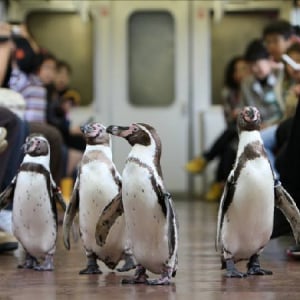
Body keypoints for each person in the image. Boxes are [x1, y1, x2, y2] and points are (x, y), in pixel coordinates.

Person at [185, 56, 250, 201]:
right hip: (236, 130)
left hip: (248, 129)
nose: (242, 73)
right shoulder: (229, 92)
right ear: (232, 74)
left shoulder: (253, 86)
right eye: (238, 70)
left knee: (229, 142)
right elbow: (229, 119)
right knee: (230, 143)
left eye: (245, 69)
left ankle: (207, 161)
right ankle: (220, 184)